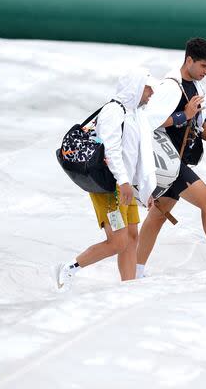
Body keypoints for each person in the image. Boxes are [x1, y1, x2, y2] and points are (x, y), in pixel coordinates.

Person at [136, 38, 206, 277]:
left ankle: (135, 270)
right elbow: (148, 121)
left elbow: (199, 126)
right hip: (167, 161)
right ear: (189, 60)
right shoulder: (170, 86)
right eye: (203, 66)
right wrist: (183, 115)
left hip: (178, 161)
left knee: (157, 216)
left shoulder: (197, 88)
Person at [57, 68, 159, 290]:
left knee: (132, 237)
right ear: (137, 88)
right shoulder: (114, 111)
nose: (151, 94)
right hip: (110, 187)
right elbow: (111, 150)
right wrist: (123, 182)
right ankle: (69, 268)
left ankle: (128, 288)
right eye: (149, 88)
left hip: (125, 186)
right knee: (118, 241)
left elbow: (136, 157)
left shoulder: (134, 114)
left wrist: (144, 190)